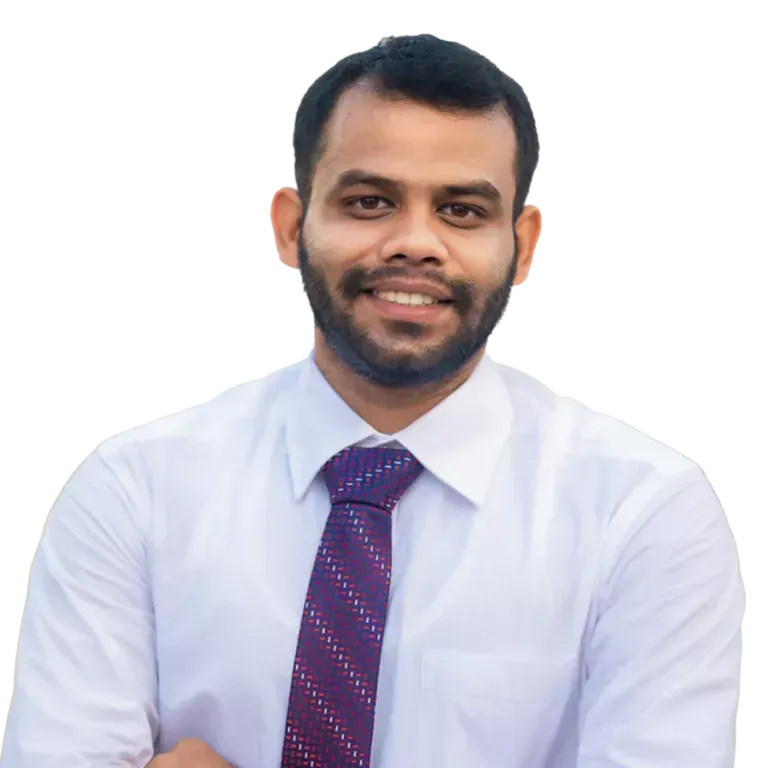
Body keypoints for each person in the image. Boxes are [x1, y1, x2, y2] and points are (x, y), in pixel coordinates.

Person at [2, 33, 743, 768]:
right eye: (369, 202)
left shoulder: (642, 513)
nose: (415, 243)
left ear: (523, 244)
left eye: (462, 210)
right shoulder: (136, 490)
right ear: (291, 227)